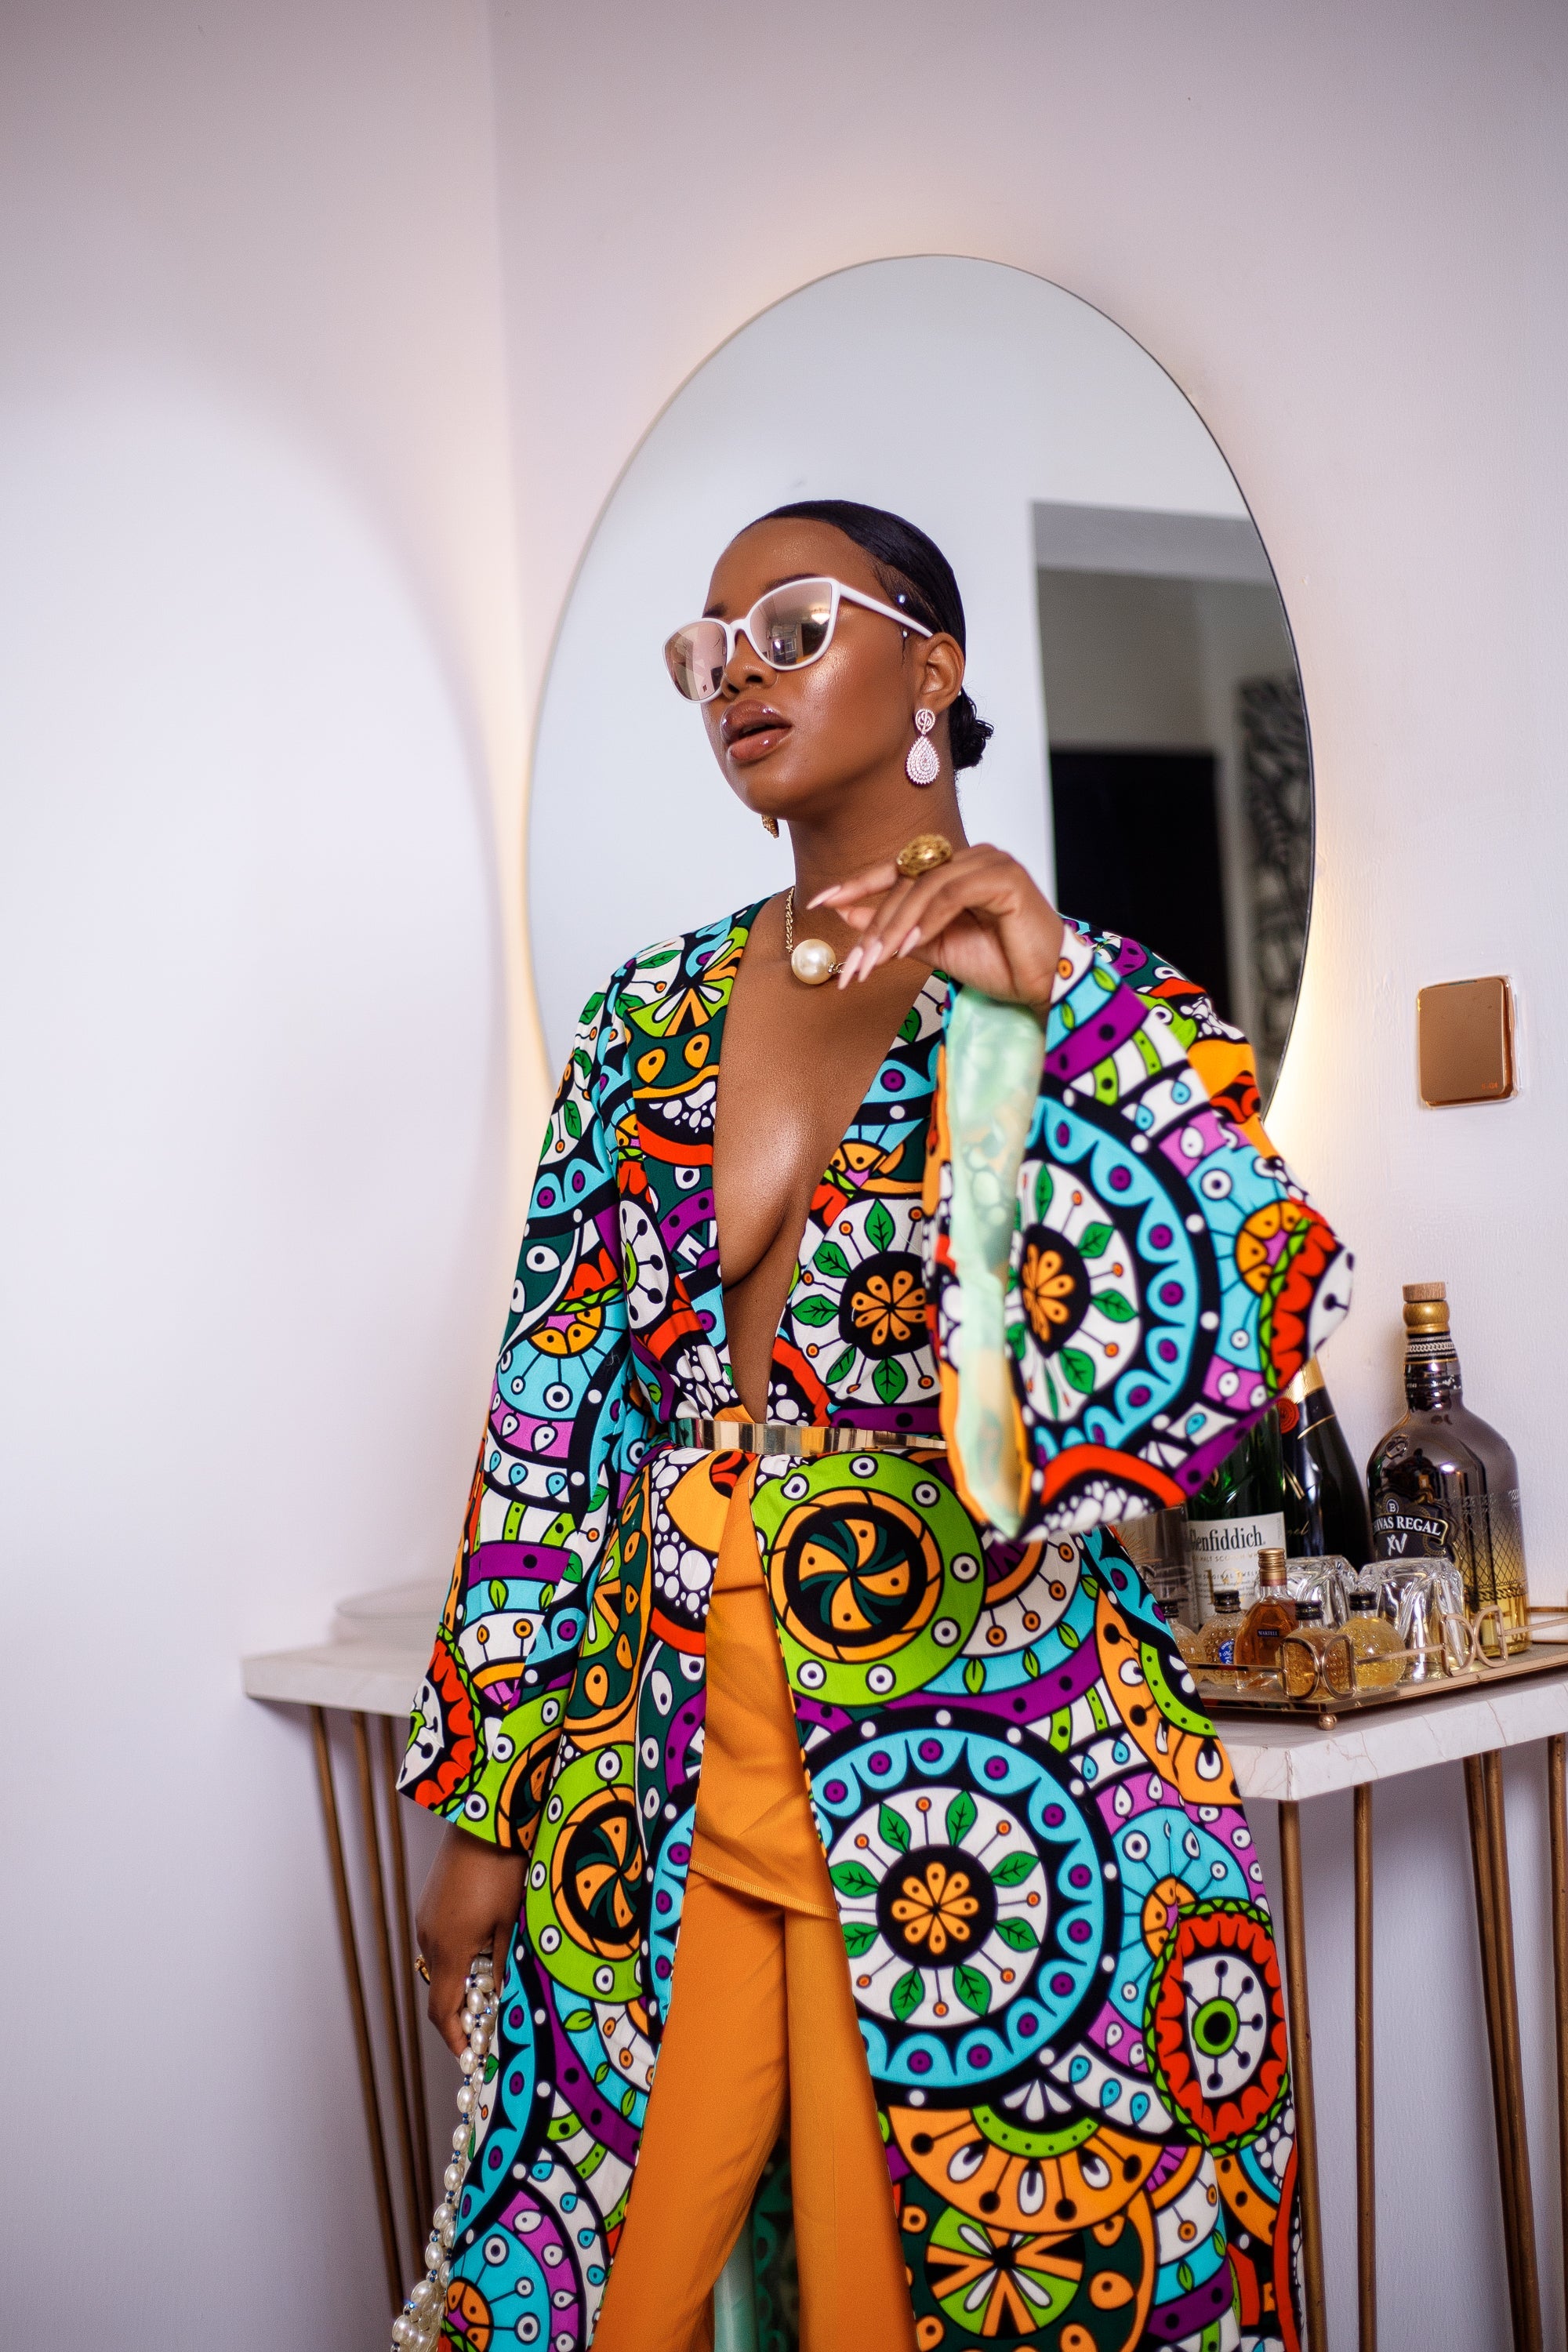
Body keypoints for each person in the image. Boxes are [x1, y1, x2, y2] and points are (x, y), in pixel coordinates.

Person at [401, 499, 1348, 2352]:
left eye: (794, 620)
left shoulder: (1084, 993)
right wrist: (483, 1808)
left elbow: (1102, 1413)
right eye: (708, 644)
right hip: (654, 1760)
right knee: (613, 2283)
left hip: (986, 1792)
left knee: (939, 2287)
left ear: (934, 665)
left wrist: (1037, 1027)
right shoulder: (641, 1026)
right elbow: (546, 1435)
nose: (735, 669)